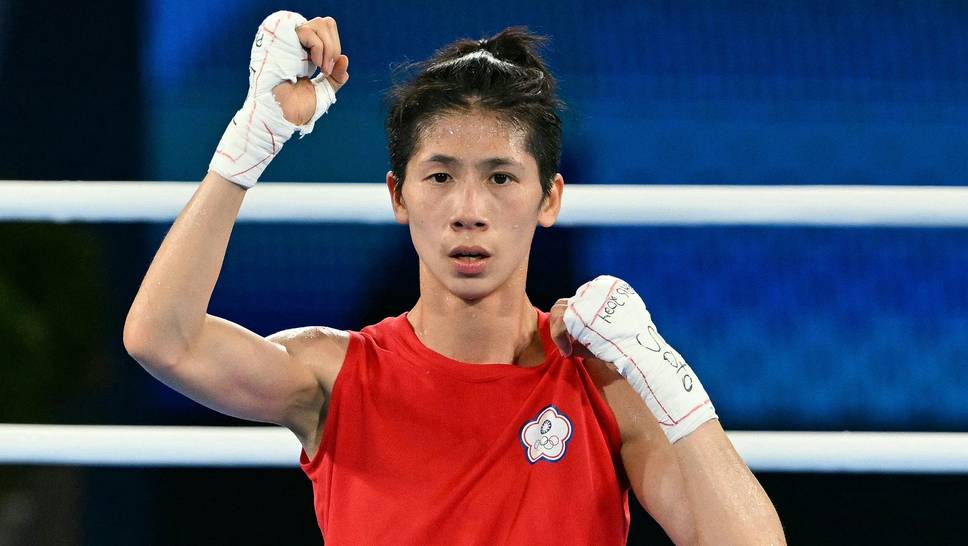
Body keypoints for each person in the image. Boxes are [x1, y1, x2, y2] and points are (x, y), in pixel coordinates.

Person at [124, 10, 785, 545]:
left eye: (500, 178)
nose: (469, 210)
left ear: (549, 198)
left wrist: (661, 369)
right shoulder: (335, 374)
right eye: (440, 176)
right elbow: (162, 341)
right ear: (399, 195)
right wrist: (251, 140)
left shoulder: (604, 385)